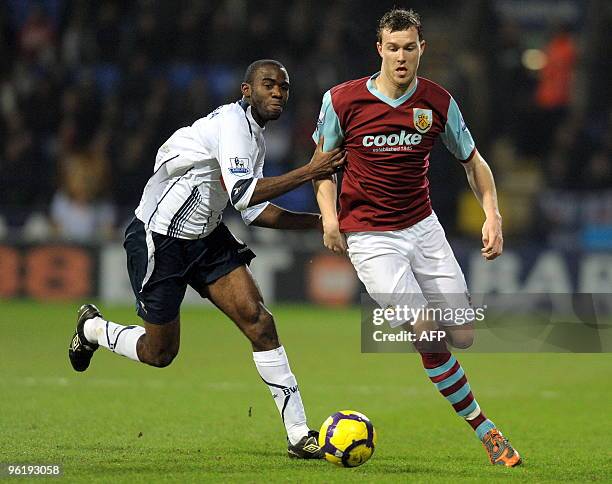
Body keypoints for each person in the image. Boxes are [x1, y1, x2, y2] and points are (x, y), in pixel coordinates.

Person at [68, 59, 345, 459]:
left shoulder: (255, 138)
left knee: (261, 323)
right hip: (159, 239)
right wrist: (312, 170)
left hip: (206, 237)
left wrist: (322, 223)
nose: (278, 93)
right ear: (247, 90)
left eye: (284, 87)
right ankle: (93, 328)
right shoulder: (231, 124)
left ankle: (299, 433)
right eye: (269, 84)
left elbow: (253, 212)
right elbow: (245, 195)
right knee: (159, 353)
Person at [313, 9, 521, 467]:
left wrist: (493, 213)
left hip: (423, 227)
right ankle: (486, 430)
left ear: (422, 48)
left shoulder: (438, 102)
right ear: (379, 50)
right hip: (370, 237)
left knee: (462, 334)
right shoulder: (342, 101)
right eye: (393, 48)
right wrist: (330, 218)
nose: (401, 57)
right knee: (426, 331)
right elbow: (322, 166)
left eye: (410, 48)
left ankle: (443, 354)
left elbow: (473, 162)